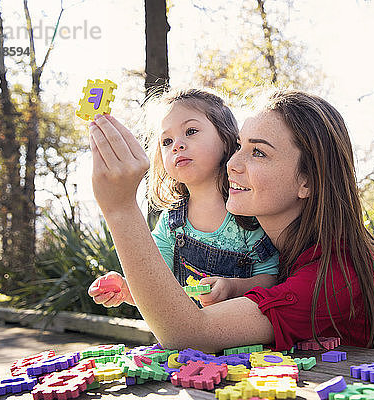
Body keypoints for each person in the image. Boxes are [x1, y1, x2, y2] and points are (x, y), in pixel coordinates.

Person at [87, 89, 374, 356]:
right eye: (238, 146)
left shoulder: (334, 273)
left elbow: (189, 335)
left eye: (258, 152)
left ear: (308, 181)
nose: (232, 164)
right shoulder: (282, 253)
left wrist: (119, 208)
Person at [88, 89, 279, 308]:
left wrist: (232, 287)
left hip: (244, 338)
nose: (177, 145)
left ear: (226, 140)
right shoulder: (171, 223)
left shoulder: (248, 212)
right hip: (183, 341)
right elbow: (155, 285)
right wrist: (126, 289)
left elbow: (272, 281)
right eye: (167, 141)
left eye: (191, 131)